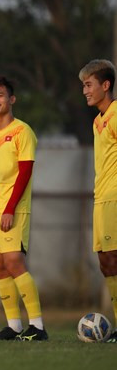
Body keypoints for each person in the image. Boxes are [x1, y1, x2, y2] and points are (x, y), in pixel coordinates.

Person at [0, 77, 46, 340]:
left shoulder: (23, 131)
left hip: (13, 208)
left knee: (13, 261)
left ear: (12, 99)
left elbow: (25, 172)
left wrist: (9, 208)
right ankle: (14, 325)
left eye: (0, 95)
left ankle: (38, 326)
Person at [79, 59, 117, 342]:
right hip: (101, 198)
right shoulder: (98, 121)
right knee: (106, 262)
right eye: (83, 85)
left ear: (106, 85)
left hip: (114, 197)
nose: (85, 91)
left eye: (89, 84)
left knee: (114, 258)